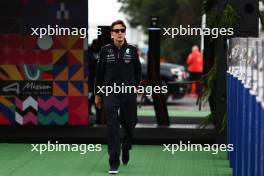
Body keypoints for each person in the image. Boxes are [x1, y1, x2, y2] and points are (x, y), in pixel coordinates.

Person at [94, 20, 141, 174]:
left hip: (128, 93)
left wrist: (135, 87)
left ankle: (126, 147)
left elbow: (138, 72)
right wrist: (97, 94)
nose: (120, 33)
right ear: (112, 33)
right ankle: (114, 162)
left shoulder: (133, 50)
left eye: (122, 30)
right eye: (117, 30)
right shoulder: (104, 51)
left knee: (130, 126)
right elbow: (99, 74)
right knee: (112, 127)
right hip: (110, 92)